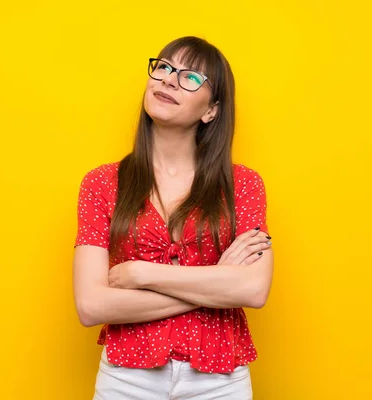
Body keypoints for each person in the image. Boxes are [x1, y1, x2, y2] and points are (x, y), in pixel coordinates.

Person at [72, 35, 274, 400]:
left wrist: (142, 274)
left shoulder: (244, 185)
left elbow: (253, 290)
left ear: (211, 110)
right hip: (126, 379)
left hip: (219, 380)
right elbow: (91, 306)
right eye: (164, 67)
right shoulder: (101, 183)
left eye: (190, 77)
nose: (168, 79)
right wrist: (217, 283)